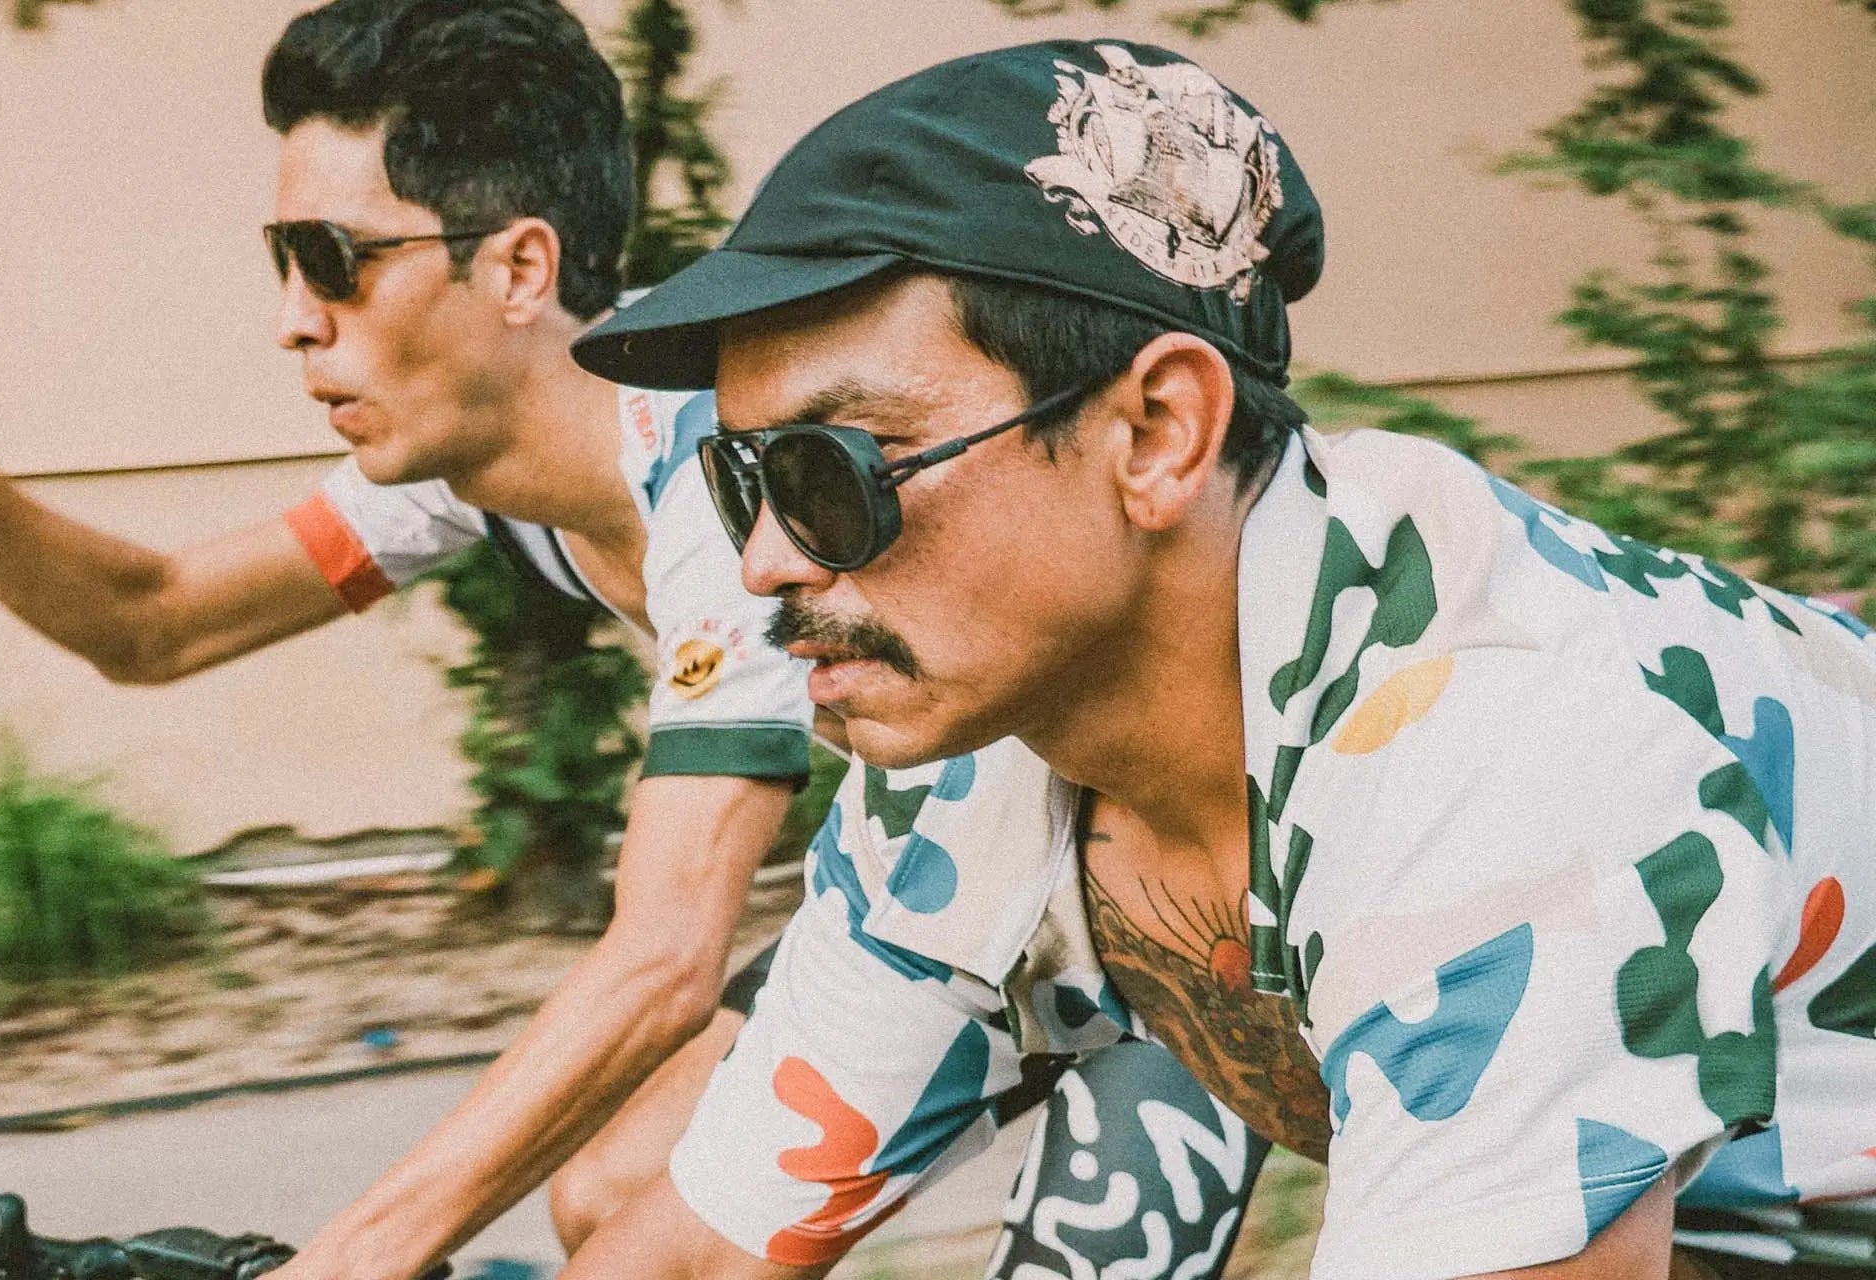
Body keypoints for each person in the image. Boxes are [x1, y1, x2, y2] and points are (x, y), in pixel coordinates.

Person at [0, 7, 1268, 1279]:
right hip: (947, 882)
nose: (296, 317)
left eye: (335, 259)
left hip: (1167, 886)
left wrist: (350, 1258)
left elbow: (663, 960)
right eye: (281, 261)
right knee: (611, 1198)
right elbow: (151, 623)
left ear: (518, 270)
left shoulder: (725, 491)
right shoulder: (473, 453)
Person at [570, 37, 1876, 1280]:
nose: (766, 562)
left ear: (1158, 433)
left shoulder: (1505, 757)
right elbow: (704, 1248)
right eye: (740, 483)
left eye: (833, 473)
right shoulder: (976, 742)